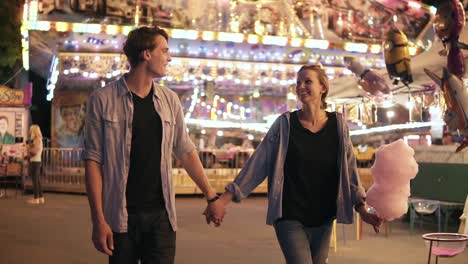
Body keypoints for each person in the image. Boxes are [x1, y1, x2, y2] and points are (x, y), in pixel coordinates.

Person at [206, 64, 383, 264]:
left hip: (324, 217)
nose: (301, 86)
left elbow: (349, 171)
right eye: (298, 82)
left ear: (322, 87)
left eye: (308, 81)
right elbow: (258, 163)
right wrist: (223, 200)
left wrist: (362, 209)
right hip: (289, 215)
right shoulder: (284, 125)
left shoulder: (338, 125)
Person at [83, 26, 224, 264]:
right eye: (164, 50)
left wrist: (211, 196)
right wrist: (98, 220)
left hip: (161, 217)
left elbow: (185, 150)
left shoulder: (170, 100)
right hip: (120, 217)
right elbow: (93, 161)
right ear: (146, 54)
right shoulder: (102, 100)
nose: (169, 57)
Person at [27, 125, 44, 204]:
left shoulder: (37, 139)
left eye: (31, 130)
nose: (30, 132)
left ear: (34, 131)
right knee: (38, 180)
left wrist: (27, 148)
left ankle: (36, 199)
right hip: (37, 161)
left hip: (35, 161)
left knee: (35, 181)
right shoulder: (39, 139)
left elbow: (34, 152)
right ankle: (41, 197)